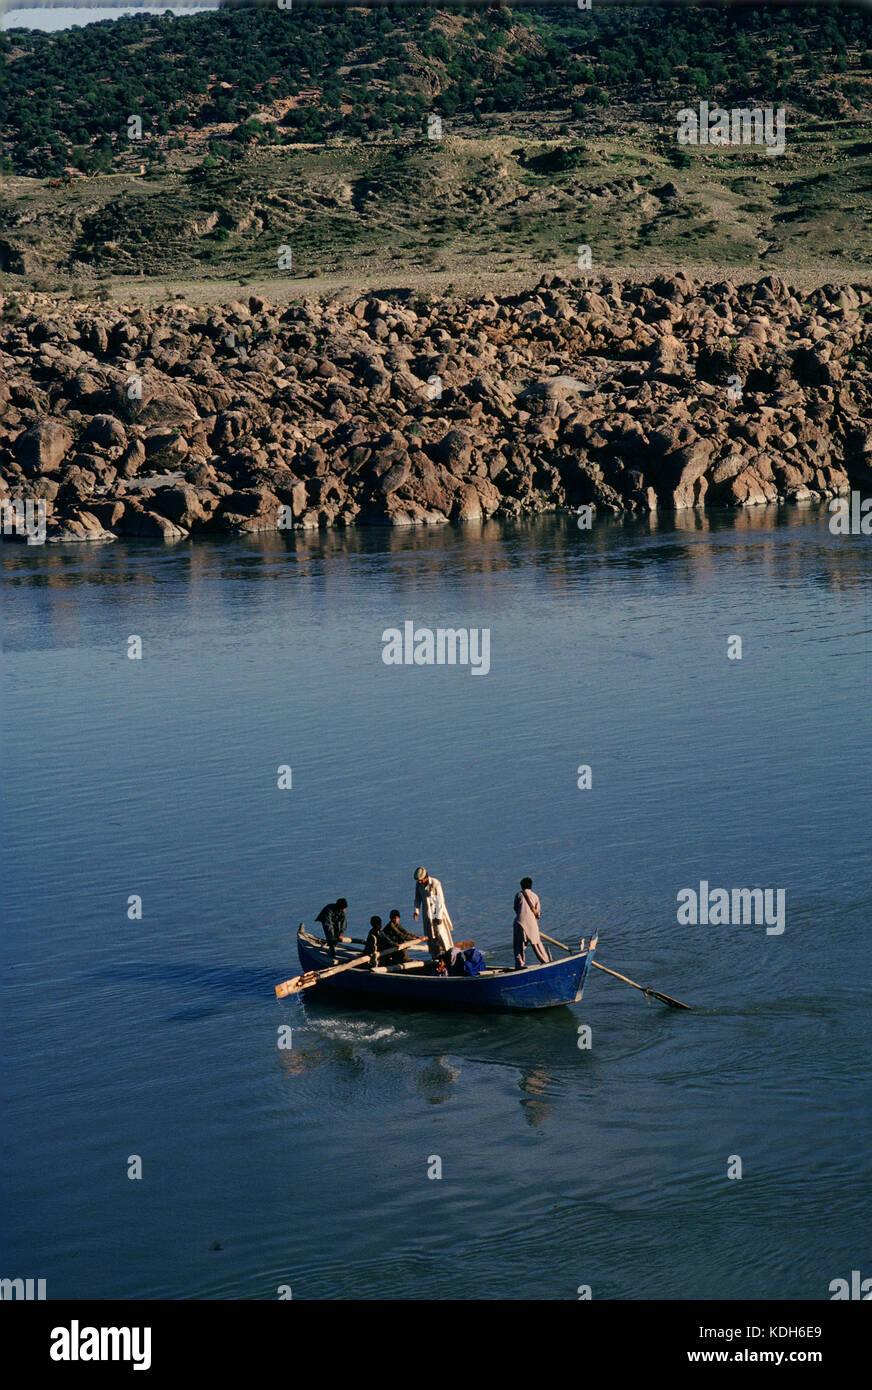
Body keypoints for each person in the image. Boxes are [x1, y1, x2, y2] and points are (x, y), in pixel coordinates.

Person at [413, 867, 454, 959]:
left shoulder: (435, 883)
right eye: (418, 880)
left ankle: (449, 954)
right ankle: (436, 957)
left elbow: (440, 901)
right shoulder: (418, 885)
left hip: (437, 912)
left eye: (421, 880)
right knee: (430, 935)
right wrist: (416, 911)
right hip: (427, 914)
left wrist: (439, 916)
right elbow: (417, 898)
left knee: (440, 933)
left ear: (425, 877)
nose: (420, 882)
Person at [513, 877, 551, 969]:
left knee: (518, 945)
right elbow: (538, 912)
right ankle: (546, 962)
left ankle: (519, 965)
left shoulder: (518, 895)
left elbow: (516, 908)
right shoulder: (535, 896)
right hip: (532, 924)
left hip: (519, 923)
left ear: (522, 886)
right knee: (537, 944)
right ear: (531, 886)